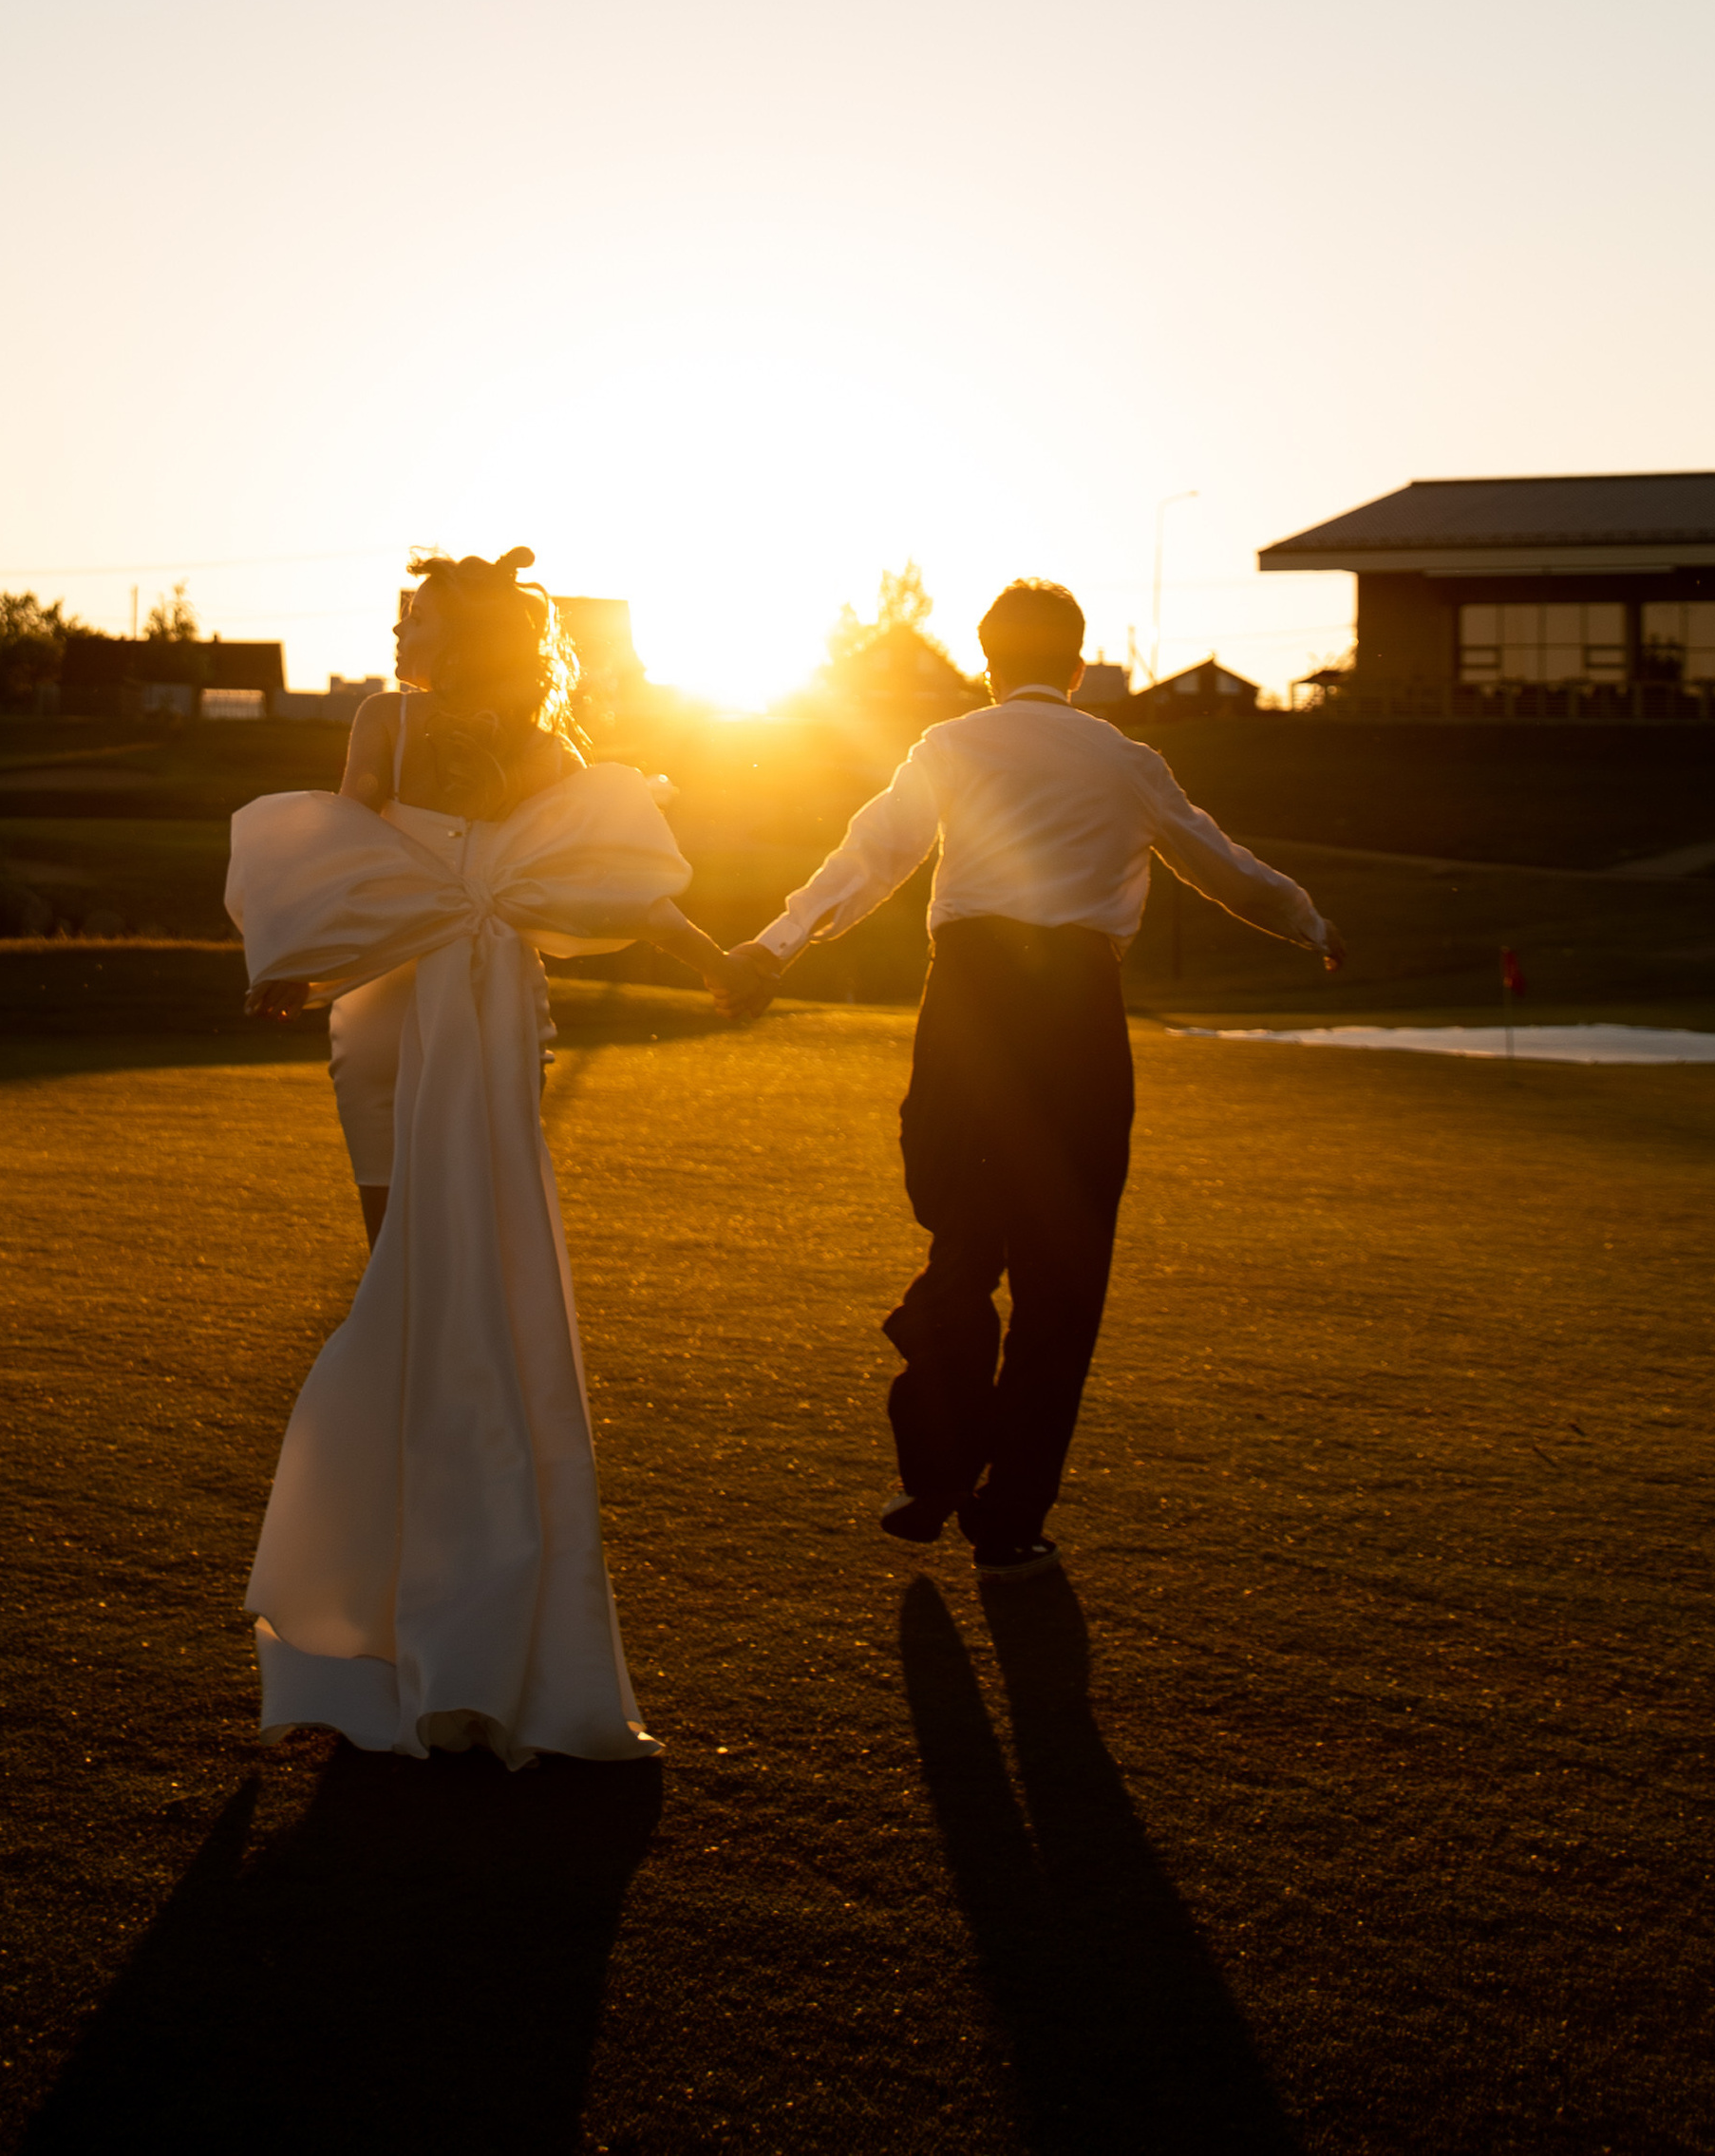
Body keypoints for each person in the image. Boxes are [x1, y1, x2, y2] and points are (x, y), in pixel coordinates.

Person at [719, 577, 1343, 1582]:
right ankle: (1008, 1517)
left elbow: (869, 856)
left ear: (986, 660)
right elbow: (1217, 863)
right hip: (1074, 1018)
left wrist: (773, 944)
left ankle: (935, 1464)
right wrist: (1307, 922)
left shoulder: (949, 744)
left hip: (967, 1008)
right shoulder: (1126, 759)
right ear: (1079, 664)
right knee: (1065, 1274)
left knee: (961, 1237)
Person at [231, 548, 735, 1765]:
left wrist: (296, 957)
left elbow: (351, 851)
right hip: (458, 1009)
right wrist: (717, 960)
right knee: (450, 1284)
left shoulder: (409, 727)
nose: (400, 631)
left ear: (462, 637)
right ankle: (444, 1602)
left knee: (416, 1288)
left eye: (419, 618)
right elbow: (613, 888)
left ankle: (404, 1613)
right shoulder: (522, 747)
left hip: (417, 1007)